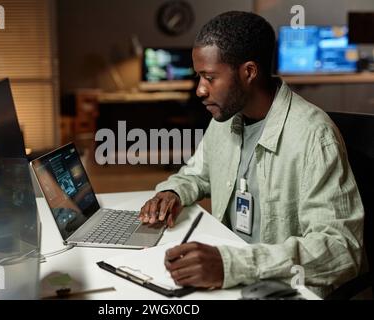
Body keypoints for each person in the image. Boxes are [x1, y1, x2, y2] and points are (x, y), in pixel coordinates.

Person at [138, 11, 364, 298]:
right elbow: (197, 173)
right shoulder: (225, 118)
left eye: (209, 77)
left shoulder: (314, 136)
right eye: (199, 77)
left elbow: (341, 249)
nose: (200, 90)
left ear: (248, 72)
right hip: (231, 273)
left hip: (278, 287)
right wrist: (172, 192)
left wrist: (233, 265)